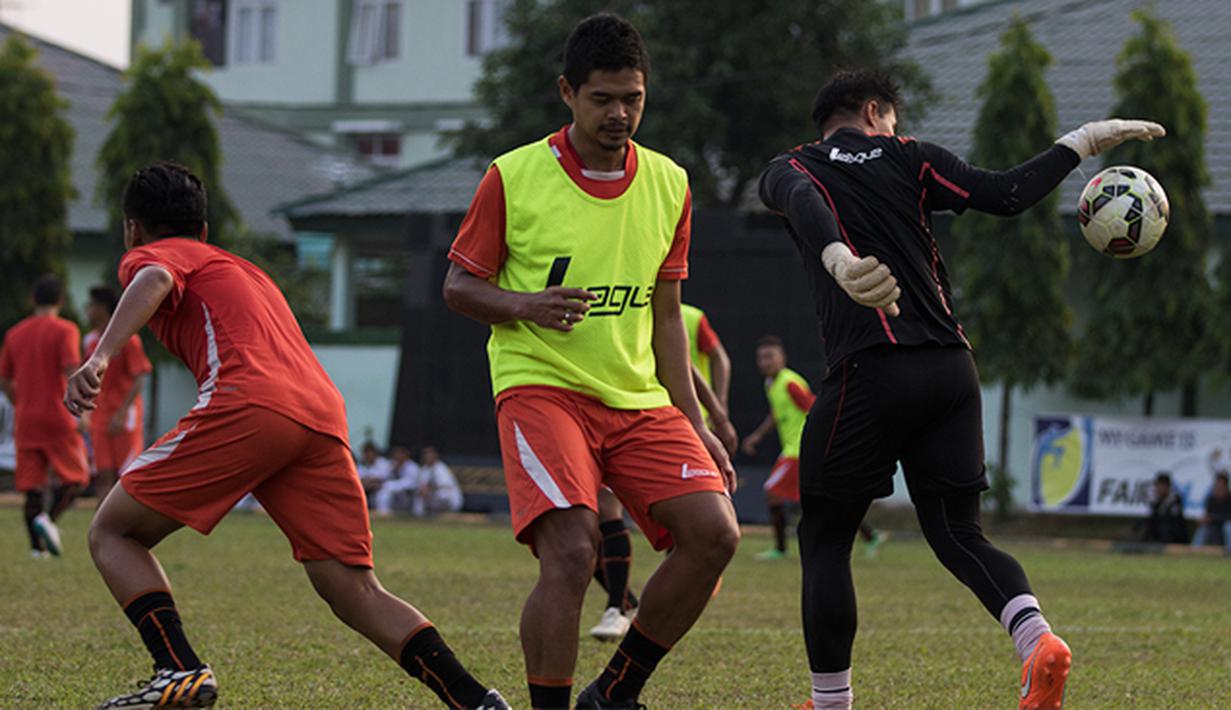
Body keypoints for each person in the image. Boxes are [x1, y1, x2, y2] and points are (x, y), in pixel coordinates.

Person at [759, 69, 1164, 709]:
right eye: (891, 120)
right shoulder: (912, 156)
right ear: (874, 111)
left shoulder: (791, 166)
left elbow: (799, 203)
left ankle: (830, 702)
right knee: (959, 534)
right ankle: (1037, 642)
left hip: (873, 366)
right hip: (951, 368)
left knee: (827, 538)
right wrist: (1081, 141)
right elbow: (1004, 194)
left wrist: (837, 256)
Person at [65, 162, 509, 710]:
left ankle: (177, 668)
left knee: (112, 531)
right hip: (319, 413)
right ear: (204, 228)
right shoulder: (241, 267)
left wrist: (100, 357)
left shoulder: (153, 256)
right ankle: (475, 700)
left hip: (250, 402)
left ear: (132, 228)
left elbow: (152, 280)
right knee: (353, 589)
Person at [442, 14, 740, 709]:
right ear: (566, 93)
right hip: (540, 389)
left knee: (714, 535)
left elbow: (667, 318)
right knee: (573, 551)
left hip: (636, 399)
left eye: (632, 97)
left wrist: (695, 424)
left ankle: (613, 694)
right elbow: (457, 287)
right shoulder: (512, 177)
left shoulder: (669, 183)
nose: (619, 113)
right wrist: (526, 306)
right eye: (602, 98)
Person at [741, 336, 884, 561]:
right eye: (761, 357)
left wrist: (827, 439)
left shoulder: (790, 383)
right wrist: (756, 437)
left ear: (782, 358)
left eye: (770, 356)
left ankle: (780, 549)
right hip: (793, 448)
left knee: (773, 493)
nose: (765, 362)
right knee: (828, 498)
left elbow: (814, 407)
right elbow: (776, 415)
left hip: (799, 450)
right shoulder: (771, 384)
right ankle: (870, 534)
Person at [0, 274, 89, 558]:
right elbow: (70, 369)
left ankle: (37, 550)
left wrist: (20, 402)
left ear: (32, 300)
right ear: (60, 301)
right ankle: (48, 521)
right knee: (75, 479)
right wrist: (82, 410)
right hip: (58, 417)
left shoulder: (15, 333)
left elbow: (4, 378)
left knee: (31, 486)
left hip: (25, 419)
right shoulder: (66, 330)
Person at [83, 284, 152, 499]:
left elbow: (140, 376)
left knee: (126, 477)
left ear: (103, 308)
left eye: (92, 306)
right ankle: (100, 526)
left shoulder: (128, 339)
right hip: (100, 415)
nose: (88, 310)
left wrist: (122, 412)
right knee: (103, 474)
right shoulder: (90, 341)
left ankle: (123, 524)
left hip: (124, 417)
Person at [413, 446, 464, 516]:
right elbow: (422, 485)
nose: (428, 457)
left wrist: (428, 489)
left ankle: (448, 513)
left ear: (435, 456)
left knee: (443, 494)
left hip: (450, 499)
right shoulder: (424, 469)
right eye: (426, 455)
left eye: (430, 455)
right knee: (419, 495)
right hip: (433, 499)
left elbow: (444, 485)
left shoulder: (441, 468)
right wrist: (423, 491)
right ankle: (418, 517)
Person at [372, 444, 422, 516]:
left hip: (409, 495)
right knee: (382, 492)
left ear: (405, 455)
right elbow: (383, 476)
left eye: (399, 454)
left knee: (386, 488)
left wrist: (388, 485)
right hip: (396, 495)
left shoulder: (412, 467)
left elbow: (409, 483)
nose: (397, 456)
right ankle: (383, 514)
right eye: (395, 454)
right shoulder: (393, 465)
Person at [1141, 472, 1188, 544]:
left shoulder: (1175, 498)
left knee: (1165, 526)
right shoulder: (1154, 498)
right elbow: (1152, 515)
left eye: (1163, 486)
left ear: (1168, 487)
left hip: (1173, 531)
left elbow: (1175, 518)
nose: (1160, 488)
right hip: (1157, 529)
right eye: (1158, 485)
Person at [1191, 472, 1231, 551]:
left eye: (1221, 485)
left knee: (1228, 527)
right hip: (1214, 530)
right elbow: (1208, 515)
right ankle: (1194, 551)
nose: (1218, 487)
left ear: (1226, 487)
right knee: (1203, 528)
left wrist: (1212, 518)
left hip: (1225, 531)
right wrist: (1204, 520)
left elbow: (1228, 517)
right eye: (1217, 485)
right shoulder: (1211, 500)